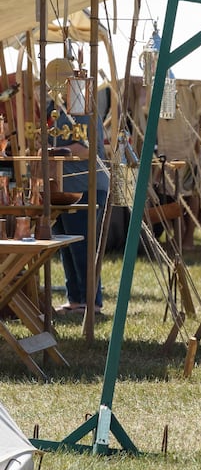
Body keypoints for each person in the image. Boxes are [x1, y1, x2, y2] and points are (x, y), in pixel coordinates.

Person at [49, 95, 109, 314]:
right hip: (63, 188)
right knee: (66, 244)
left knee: (82, 246)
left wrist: (51, 152)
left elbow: (86, 148)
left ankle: (92, 302)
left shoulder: (83, 112)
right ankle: (75, 300)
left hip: (86, 186)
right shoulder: (53, 110)